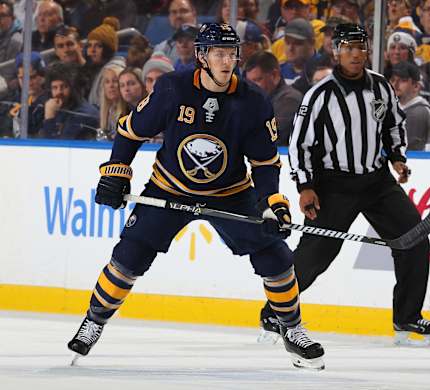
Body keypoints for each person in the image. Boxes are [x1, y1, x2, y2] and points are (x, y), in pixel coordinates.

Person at [67, 22, 325, 370]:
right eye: (218, 53)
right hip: (169, 186)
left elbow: (264, 162)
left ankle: (292, 329)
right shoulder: (173, 88)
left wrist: (271, 203)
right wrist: (116, 171)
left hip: (229, 193)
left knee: (275, 256)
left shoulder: (253, 102)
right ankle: (94, 321)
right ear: (202, 56)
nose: (226, 60)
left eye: (231, 53)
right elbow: (131, 131)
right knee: (130, 255)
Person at [257, 23, 430, 347]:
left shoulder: (381, 86)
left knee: (414, 239)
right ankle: (275, 313)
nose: (356, 53)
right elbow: (300, 144)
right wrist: (305, 186)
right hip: (334, 184)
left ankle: (407, 317)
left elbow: (394, 122)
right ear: (336, 51)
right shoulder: (321, 94)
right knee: (316, 255)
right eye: (349, 47)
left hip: (376, 180)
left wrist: (397, 156)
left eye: (361, 47)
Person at [245, 50, 302, 146]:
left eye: (258, 80)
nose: (251, 87)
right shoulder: (254, 99)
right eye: (249, 82)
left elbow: (270, 137)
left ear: (274, 75)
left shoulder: (290, 99)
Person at [39, 62, 99, 139]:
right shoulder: (58, 108)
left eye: (64, 87)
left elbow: (59, 148)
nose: (59, 92)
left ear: (73, 88)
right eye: (55, 88)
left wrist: (49, 118)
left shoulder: (84, 114)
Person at [389, 61, 430, 150]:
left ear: (416, 86)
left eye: (402, 80)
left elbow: (405, 150)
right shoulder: (398, 109)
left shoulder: (418, 112)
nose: (395, 84)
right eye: (393, 80)